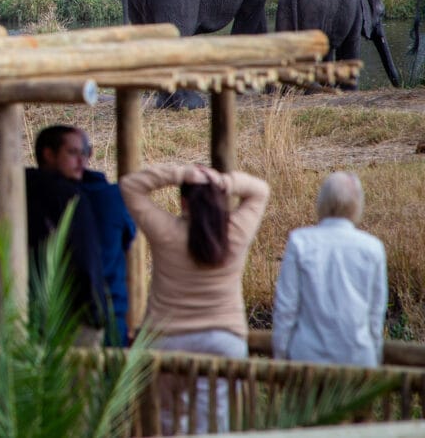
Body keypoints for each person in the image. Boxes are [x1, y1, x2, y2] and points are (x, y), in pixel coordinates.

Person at [121, 163, 270, 435]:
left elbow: (131, 186)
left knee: (167, 422)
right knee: (215, 424)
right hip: (223, 342)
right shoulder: (235, 232)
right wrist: (226, 181)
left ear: (183, 201)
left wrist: (179, 173)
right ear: (220, 197)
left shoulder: (167, 232)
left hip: (167, 342)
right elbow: (260, 190)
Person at [272, 171, 387, 367]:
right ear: (357, 206)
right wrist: (373, 355)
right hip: (358, 358)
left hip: (308, 359)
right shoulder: (373, 248)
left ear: (321, 202)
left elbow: (286, 309)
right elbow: (376, 314)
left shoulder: (299, 242)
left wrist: (281, 355)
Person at [26, 124, 105, 343]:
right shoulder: (70, 197)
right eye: (72, 153)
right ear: (49, 155)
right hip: (75, 320)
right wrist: (95, 313)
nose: (82, 161)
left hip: (30, 316)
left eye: (84, 153)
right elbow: (84, 259)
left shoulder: (22, 191)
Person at [78, 132, 137, 346]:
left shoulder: (108, 197)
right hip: (112, 309)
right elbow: (130, 237)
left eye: (81, 152)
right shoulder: (112, 196)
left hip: (74, 314)